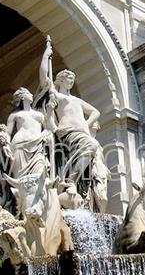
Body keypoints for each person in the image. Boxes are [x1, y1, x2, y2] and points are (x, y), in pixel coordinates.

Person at [36, 36, 109, 211]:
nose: (71, 80)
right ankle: (70, 181)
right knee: (91, 145)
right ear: (60, 80)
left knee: (92, 149)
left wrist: (86, 123)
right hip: (67, 131)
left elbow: (96, 112)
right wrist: (46, 55)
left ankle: (77, 186)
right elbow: (44, 78)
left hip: (81, 132)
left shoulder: (76, 100)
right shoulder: (57, 95)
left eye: (72, 78)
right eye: (68, 77)